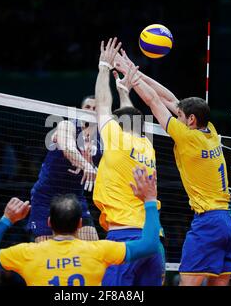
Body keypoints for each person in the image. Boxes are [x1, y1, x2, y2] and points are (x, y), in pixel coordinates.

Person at [114, 48, 231, 286]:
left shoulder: (187, 137)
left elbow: (154, 101)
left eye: (181, 117)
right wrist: (134, 72)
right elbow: (170, 100)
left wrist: (128, 74)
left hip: (210, 221)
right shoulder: (210, 131)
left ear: (190, 120)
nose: (177, 118)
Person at [0, 166, 162, 286]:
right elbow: (151, 244)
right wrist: (150, 201)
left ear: (49, 223)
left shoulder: (27, 253)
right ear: (80, 224)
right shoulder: (99, 250)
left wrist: (6, 219)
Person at [93, 37, 165, 286]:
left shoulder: (116, 139)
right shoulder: (147, 146)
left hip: (125, 237)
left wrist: (104, 67)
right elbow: (130, 117)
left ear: (118, 125)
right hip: (152, 239)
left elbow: (103, 105)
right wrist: (124, 92)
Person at [27, 95, 101, 242]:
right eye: (88, 107)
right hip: (46, 197)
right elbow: (68, 148)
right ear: (81, 110)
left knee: (92, 248)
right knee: (47, 255)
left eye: (95, 108)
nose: (91, 111)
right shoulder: (67, 126)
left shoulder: (102, 139)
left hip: (75, 198)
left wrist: (93, 168)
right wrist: (85, 165)